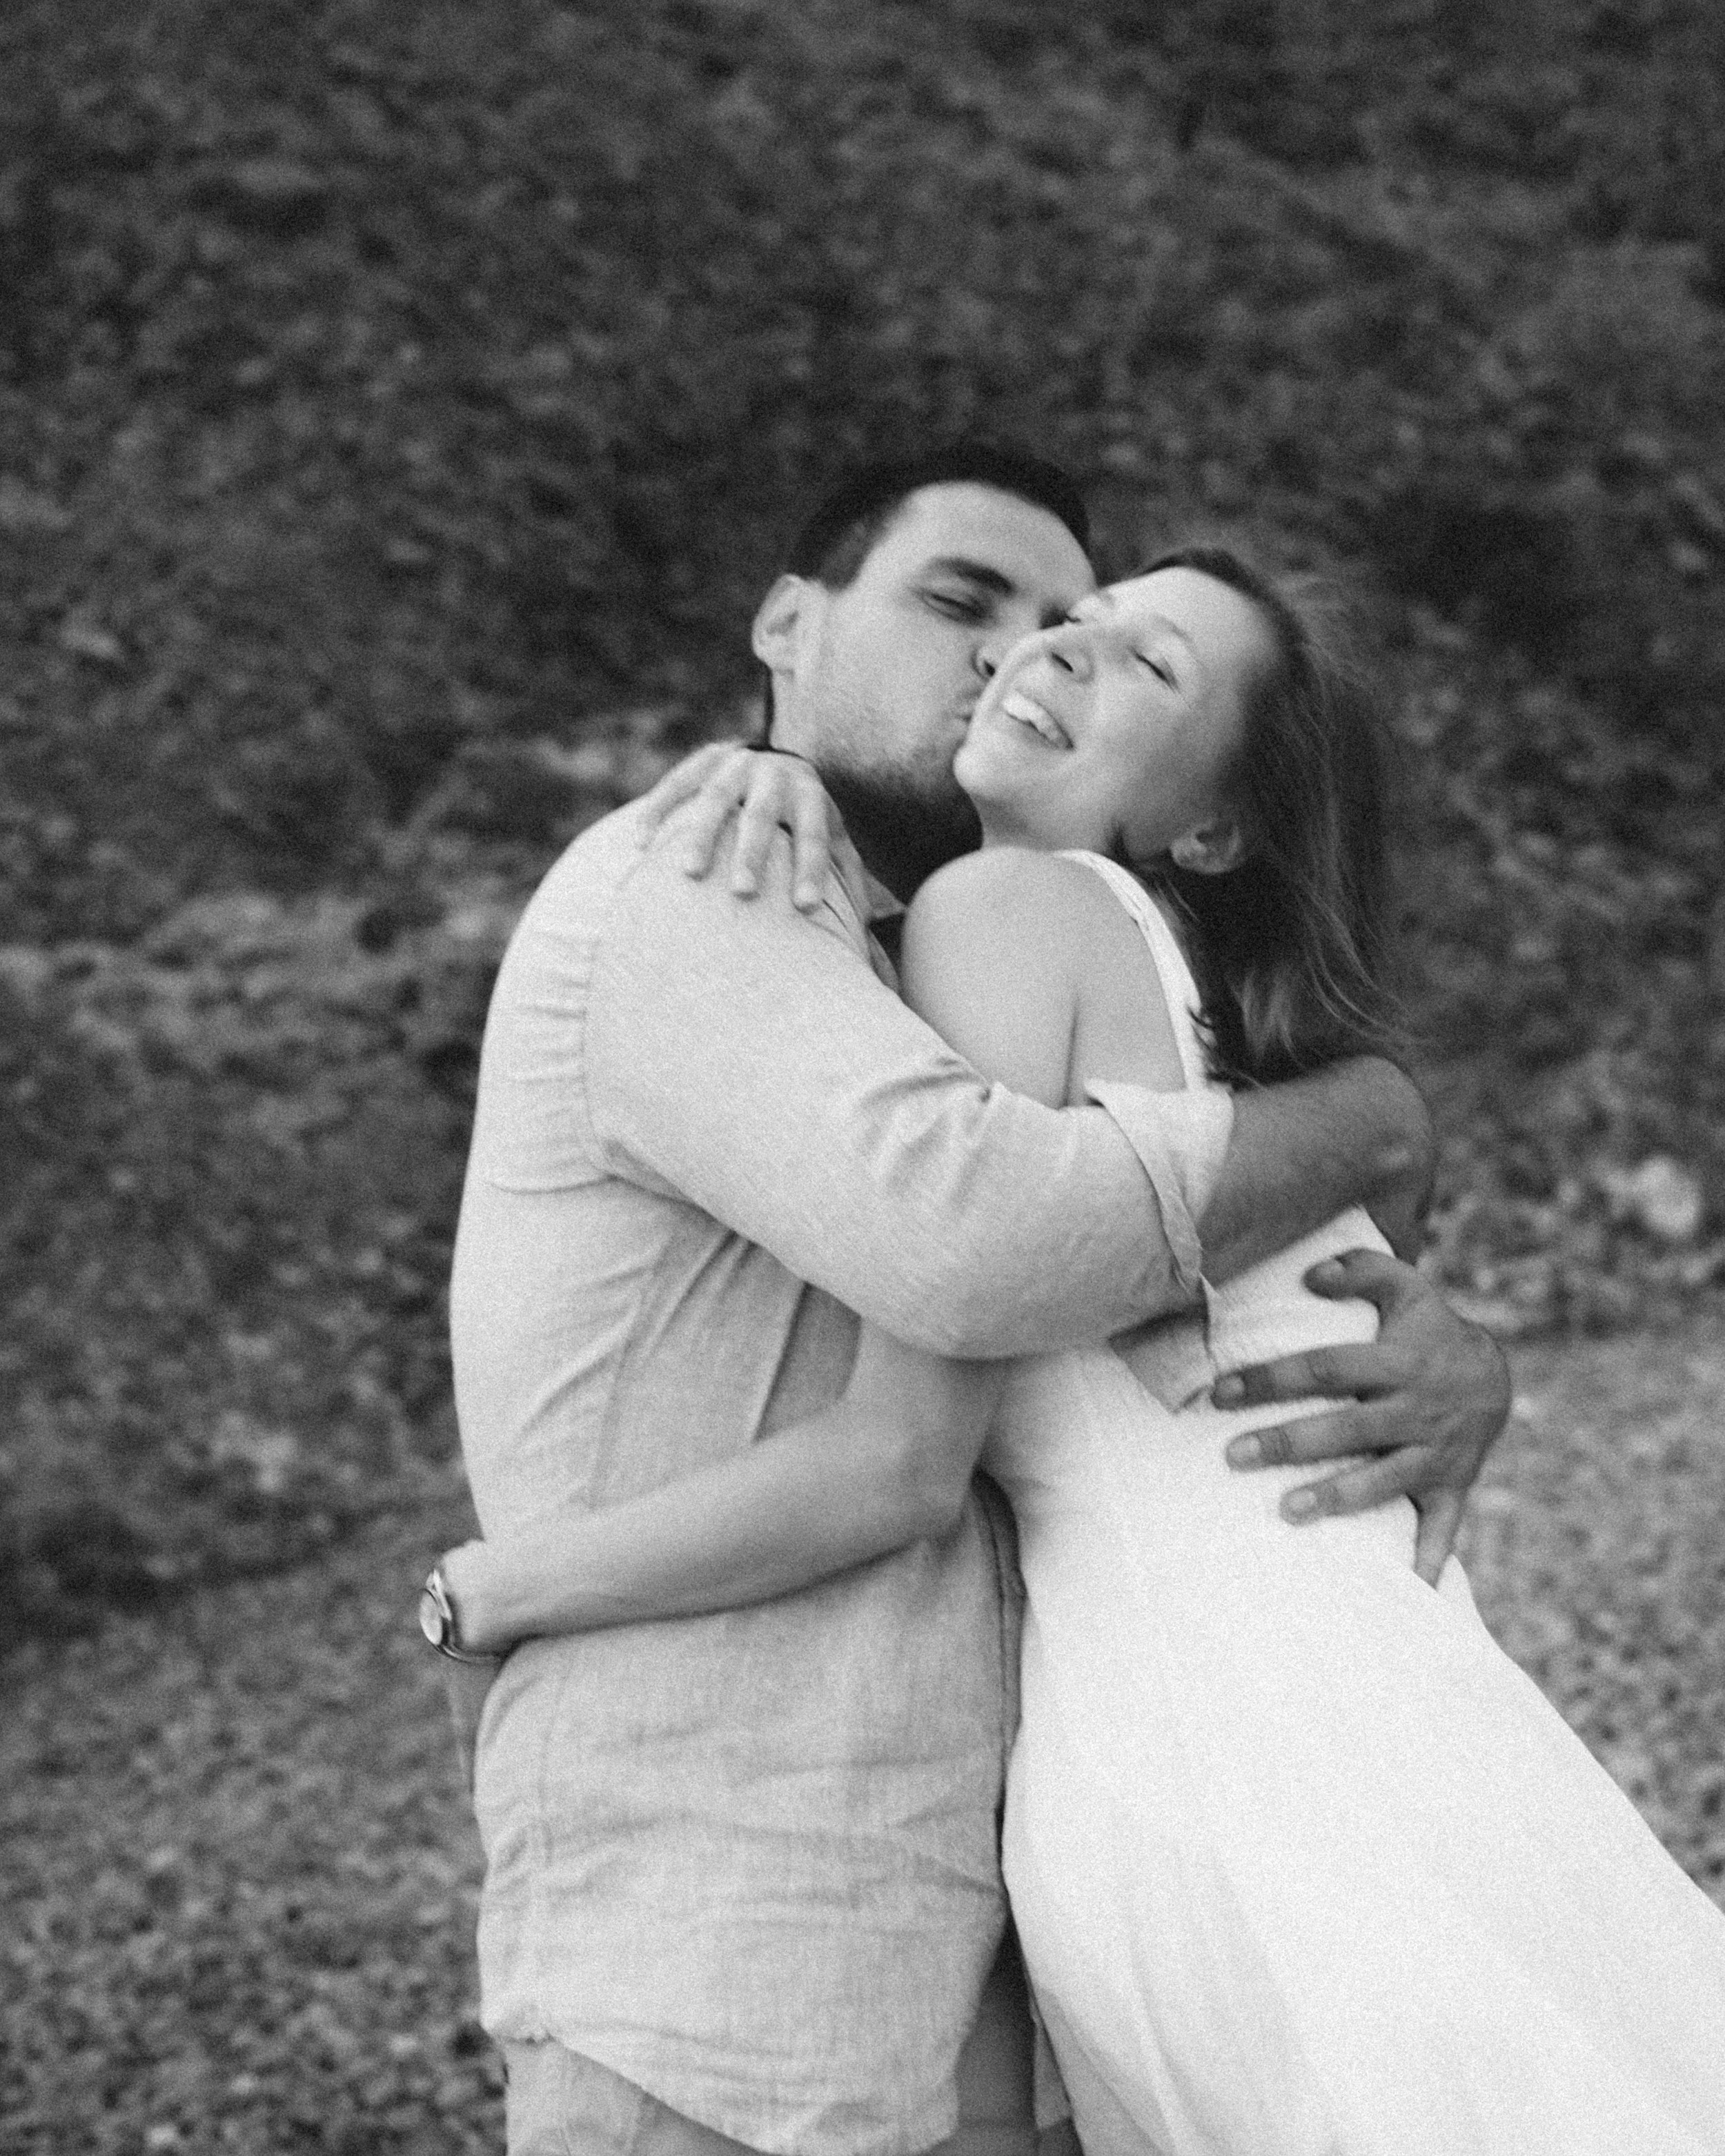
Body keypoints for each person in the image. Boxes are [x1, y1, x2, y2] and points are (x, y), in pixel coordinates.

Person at [439, 545, 1725, 2153]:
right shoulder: (1168, 986)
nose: (1051, 652)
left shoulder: (999, 908)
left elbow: (901, 1454)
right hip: (1346, 1675)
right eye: (1072, 625)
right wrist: (778, 766)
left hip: (1212, 1719)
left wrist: (494, 1587)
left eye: (1146, 663)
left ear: (1213, 826)